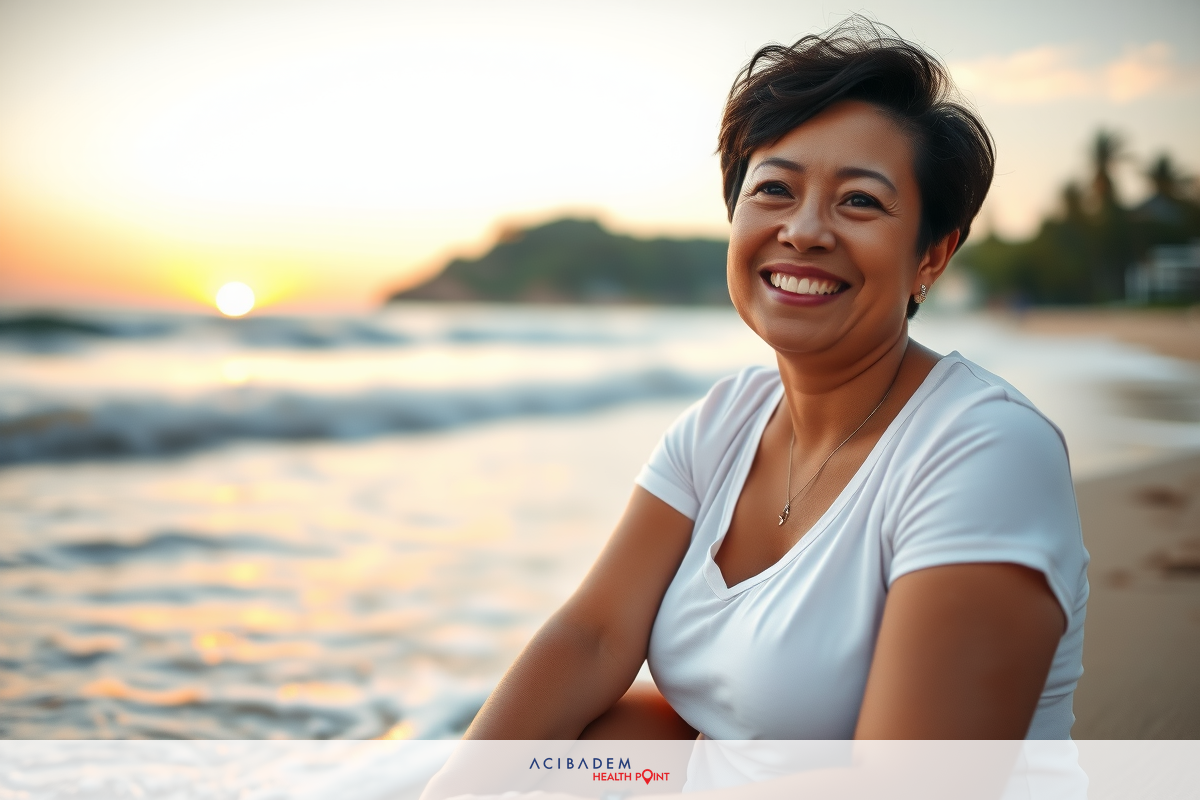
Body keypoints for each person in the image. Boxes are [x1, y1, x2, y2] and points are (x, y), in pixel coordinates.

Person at [463, 18, 1089, 742]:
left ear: (933, 255)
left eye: (859, 200)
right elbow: (594, 637)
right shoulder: (722, 424)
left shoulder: (984, 451)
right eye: (774, 189)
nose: (805, 230)